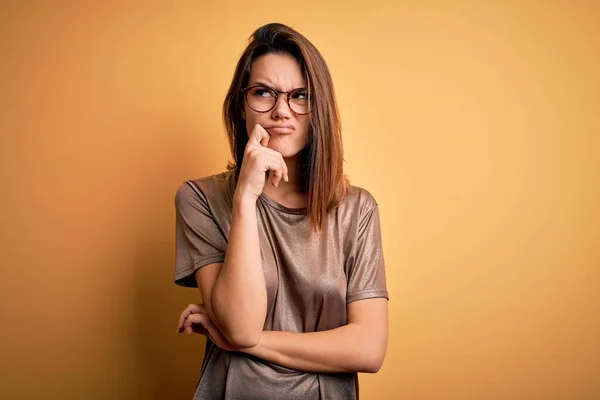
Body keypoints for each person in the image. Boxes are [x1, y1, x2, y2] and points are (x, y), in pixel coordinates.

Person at [174, 22, 388, 400]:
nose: (281, 111)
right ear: (241, 105)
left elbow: (368, 349)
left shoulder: (357, 210)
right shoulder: (200, 199)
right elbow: (240, 325)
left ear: (318, 107)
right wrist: (244, 200)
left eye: (300, 96)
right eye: (263, 93)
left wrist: (247, 343)